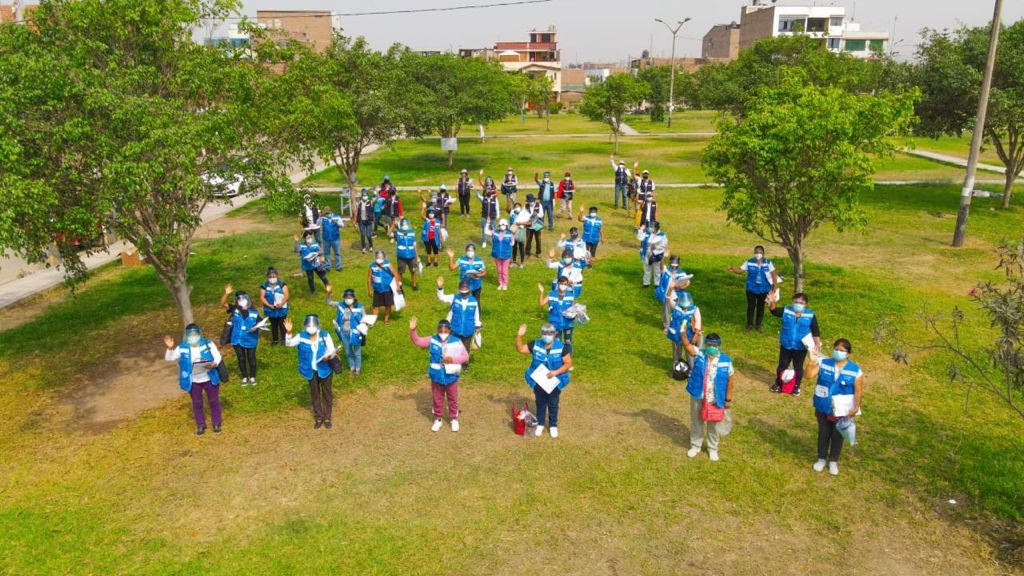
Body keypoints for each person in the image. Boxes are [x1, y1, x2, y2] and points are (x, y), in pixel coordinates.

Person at [805, 338, 863, 476]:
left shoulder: (855, 370)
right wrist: (812, 361)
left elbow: (858, 390)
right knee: (823, 433)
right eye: (836, 349)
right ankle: (821, 458)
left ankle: (833, 461)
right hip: (823, 406)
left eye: (841, 351)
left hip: (842, 411)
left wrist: (855, 407)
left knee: (838, 435)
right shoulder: (824, 363)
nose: (838, 352)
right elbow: (808, 376)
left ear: (848, 354)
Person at [679, 332, 734, 461]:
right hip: (698, 395)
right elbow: (687, 346)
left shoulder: (726, 361)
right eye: (709, 345)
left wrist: (728, 399)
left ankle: (712, 448)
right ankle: (696, 445)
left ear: (719, 347)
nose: (712, 348)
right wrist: (682, 333)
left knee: (713, 424)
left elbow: (730, 381)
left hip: (715, 398)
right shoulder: (700, 354)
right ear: (705, 345)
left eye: (715, 346)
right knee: (696, 421)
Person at [409, 316, 469, 432]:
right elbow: (418, 341)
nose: (443, 334)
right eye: (440, 331)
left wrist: (453, 359)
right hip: (436, 377)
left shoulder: (456, 341)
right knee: (437, 399)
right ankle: (438, 419)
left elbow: (465, 356)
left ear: (449, 331)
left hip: (451, 377)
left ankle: (454, 419)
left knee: (452, 398)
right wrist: (413, 330)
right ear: (437, 330)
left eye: (445, 332)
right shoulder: (432, 340)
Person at [515, 322, 573, 438]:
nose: (547, 335)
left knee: (553, 403)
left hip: (555, 381)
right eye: (544, 333)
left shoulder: (562, 348)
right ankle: (540, 424)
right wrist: (519, 336)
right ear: (541, 334)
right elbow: (520, 349)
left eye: (550, 333)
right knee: (540, 402)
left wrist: (555, 372)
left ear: (554, 334)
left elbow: (568, 363)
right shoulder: (535, 344)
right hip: (539, 381)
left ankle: (553, 425)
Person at [164, 324, 223, 435]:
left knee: (214, 401)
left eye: (195, 334)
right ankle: (200, 425)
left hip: (209, 377)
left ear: (199, 334)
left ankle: (216, 423)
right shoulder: (182, 348)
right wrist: (170, 347)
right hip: (193, 380)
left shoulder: (208, 343)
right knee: (197, 403)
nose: (193, 337)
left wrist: (214, 364)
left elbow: (217, 356)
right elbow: (169, 358)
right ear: (187, 336)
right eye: (190, 335)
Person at [284, 314, 338, 429]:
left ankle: (327, 417)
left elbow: (332, 350)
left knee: (327, 393)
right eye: (308, 325)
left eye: (313, 325)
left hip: (325, 369)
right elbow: (288, 343)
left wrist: (328, 356)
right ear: (305, 326)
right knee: (315, 394)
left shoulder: (325, 335)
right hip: (310, 371)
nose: (311, 327)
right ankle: (319, 417)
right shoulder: (301, 336)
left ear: (318, 325)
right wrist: (289, 332)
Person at [768, 292, 821, 396]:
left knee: (798, 367)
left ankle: (796, 387)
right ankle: (778, 383)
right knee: (782, 365)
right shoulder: (786, 311)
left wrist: (817, 345)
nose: (798, 304)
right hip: (786, 344)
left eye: (801, 303)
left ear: (805, 304)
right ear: (792, 302)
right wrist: (772, 301)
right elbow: (774, 311)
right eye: (796, 302)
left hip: (800, 347)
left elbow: (815, 331)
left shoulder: (810, 315)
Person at [727, 246, 778, 332]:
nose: (758, 254)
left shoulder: (768, 262)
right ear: (754, 253)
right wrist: (734, 270)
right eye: (756, 252)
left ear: (763, 253)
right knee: (751, 307)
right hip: (751, 289)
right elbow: (741, 270)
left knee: (761, 307)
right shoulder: (749, 262)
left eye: (760, 252)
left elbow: (773, 274)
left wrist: (774, 286)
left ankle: (758, 325)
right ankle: (749, 324)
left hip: (764, 289)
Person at [220, 284, 261, 386]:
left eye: (243, 299)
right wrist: (226, 294)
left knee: (251, 357)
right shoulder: (234, 309)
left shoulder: (254, 312)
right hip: (237, 339)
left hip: (250, 339)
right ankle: (244, 377)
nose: (241, 301)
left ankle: (252, 376)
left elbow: (260, 323)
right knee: (241, 358)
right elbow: (223, 303)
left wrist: (256, 328)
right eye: (239, 299)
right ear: (236, 301)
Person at [436, 277, 482, 365]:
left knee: (466, 349)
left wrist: (478, 326)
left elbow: (476, 315)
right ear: (459, 290)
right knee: (453, 347)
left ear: (469, 289)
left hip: (468, 330)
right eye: (462, 290)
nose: (464, 293)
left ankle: (465, 364)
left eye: (466, 290)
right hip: (455, 328)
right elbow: (442, 298)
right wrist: (440, 288)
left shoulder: (474, 301)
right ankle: (452, 362)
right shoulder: (454, 298)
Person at [325, 287, 365, 375]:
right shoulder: (340, 305)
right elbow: (328, 302)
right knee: (348, 351)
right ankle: (352, 367)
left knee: (357, 351)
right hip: (344, 332)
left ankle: (357, 369)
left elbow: (364, 319)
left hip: (356, 333)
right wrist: (328, 294)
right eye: (346, 298)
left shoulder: (360, 307)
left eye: (350, 298)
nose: (348, 299)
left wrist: (367, 324)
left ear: (354, 298)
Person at [665, 288, 702, 369]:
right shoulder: (676, 307)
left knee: (689, 353)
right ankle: (676, 367)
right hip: (677, 336)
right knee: (676, 352)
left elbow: (698, 322)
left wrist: (696, 335)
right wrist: (670, 290)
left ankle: (691, 369)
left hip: (689, 336)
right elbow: (668, 300)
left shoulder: (695, 309)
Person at [537, 275, 576, 353]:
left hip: (568, 323)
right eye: (561, 283)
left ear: (567, 284)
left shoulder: (570, 296)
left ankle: (568, 359)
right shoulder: (551, 294)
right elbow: (541, 304)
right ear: (558, 284)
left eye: (565, 284)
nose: (563, 286)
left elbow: (574, 308)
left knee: (568, 342)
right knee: (557, 343)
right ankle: (558, 359)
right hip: (555, 323)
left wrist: (576, 313)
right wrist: (542, 292)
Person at [368, 250, 401, 325]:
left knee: (388, 305)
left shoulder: (388, 264)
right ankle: (373, 321)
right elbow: (369, 278)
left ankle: (386, 320)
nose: (379, 259)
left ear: (384, 258)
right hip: (377, 290)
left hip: (387, 289)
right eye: (378, 257)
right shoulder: (372, 266)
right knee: (375, 306)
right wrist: (369, 290)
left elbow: (395, 274)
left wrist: (398, 286)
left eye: (380, 257)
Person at [259, 267, 290, 346]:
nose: (272, 278)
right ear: (267, 277)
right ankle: (275, 340)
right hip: (270, 309)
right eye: (270, 277)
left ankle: (284, 339)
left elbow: (286, 295)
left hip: (281, 309)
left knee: (282, 324)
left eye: (274, 276)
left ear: (277, 275)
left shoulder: (282, 284)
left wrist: (282, 303)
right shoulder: (264, 286)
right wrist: (269, 305)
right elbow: (262, 297)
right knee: (274, 325)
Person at [637, 221, 668, 288]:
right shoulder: (648, 233)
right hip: (647, 254)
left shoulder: (662, 235)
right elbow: (639, 238)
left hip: (657, 255)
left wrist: (656, 247)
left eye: (652, 227)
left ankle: (656, 284)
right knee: (647, 269)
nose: (650, 228)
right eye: (650, 227)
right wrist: (641, 230)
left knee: (657, 270)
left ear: (656, 228)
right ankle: (646, 283)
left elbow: (664, 245)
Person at [393, 217, 420, 291]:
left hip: (412, 255)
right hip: (401, 256)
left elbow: (414, 244)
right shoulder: (397, 232)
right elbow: (389, 234)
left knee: (413, 271)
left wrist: (417, 256)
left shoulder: (411, 232)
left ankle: (414, 285)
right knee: (400, 272)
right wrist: (393, 224)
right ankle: (399, 285)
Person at [488, 218, 514, 290]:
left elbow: (512, 243)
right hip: (497, 255)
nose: (502, 226)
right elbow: (487, 232)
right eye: (501, 225)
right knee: (499, 270)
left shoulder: (509, 234)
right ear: (499, 225)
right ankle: (500, 284)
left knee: (504, 270)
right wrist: (488, 224)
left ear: (506, 226)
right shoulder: (495, 232)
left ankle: (505, 284)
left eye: (503, 225)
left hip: (506, 255)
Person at [476, 170, 499, 248]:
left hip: (492, 202)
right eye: (487, 180)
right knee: (484, 228)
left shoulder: (494, 187)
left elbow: (497, 193)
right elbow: (480, 181)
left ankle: (493, 241)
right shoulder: (484, 187)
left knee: (493, 228)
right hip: (485, 202)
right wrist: (481, 174)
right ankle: (484, 241)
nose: (488, 182)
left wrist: (492, 195)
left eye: (490, 180)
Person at [319, 207, 345, 271]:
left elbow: (342, 225)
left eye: (328, 213)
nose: (327, 214)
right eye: (326, 213)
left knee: (337, 253)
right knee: (326, 253)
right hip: (326, 239)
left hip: (335, 238)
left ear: (331, 212)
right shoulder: (323, 218)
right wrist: (319, 215)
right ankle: (327, 266)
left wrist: (336, 222)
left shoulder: (337, 217)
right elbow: (317, 223)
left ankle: (339, 266)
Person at [510, 201, 530, 268]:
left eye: (518, 207)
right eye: (515, 207)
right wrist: (510, 200)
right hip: (514, 231)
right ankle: (514, 261)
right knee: (514, 247)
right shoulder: (512, 213)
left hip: (521, 231)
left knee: (521, 247)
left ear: (521, 208)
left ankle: (522, 262)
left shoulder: (524, 214)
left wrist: (520, 223)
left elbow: (529, 223)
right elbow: (508, 209)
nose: (517, 208)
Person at [524, 194, 545, 258]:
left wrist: (537, 214)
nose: (531, 203)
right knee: (528, 240)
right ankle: (527, 253)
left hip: (537, 225)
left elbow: (541, 214)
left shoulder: (539, 205)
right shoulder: (525, 206)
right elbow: (524, 215)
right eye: (529, 201)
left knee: (538, 239)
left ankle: (538, 252)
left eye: (532, 201)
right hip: (529, 226)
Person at [355, 189, 375, 253]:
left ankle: (371, 246)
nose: (364, 196)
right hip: (361, 221)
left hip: (368, 221)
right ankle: (363, 248)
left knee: (368, 235)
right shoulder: (359, 203)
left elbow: (376, 200)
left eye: (365, 195)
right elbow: (357, 212)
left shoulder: (370, 202)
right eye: (363, 195)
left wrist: (376, 193)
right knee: (363, 235)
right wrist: (356, 222)